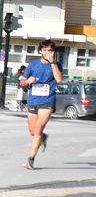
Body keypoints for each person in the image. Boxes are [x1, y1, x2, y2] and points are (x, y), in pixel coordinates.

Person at [19, 39, 63, 170]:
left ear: (53, 51)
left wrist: (53, 62)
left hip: (47, 101)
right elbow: (21, 83)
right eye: (44, 50)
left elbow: (59, 80)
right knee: (33, 131)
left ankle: (30, 160)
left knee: (38, 129)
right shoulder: (33, 65)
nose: (47, 52)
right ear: (40, 51)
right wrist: (27, 82)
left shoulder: (56, 64)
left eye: (50, 50)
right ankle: (43, 137)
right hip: (33, 100)